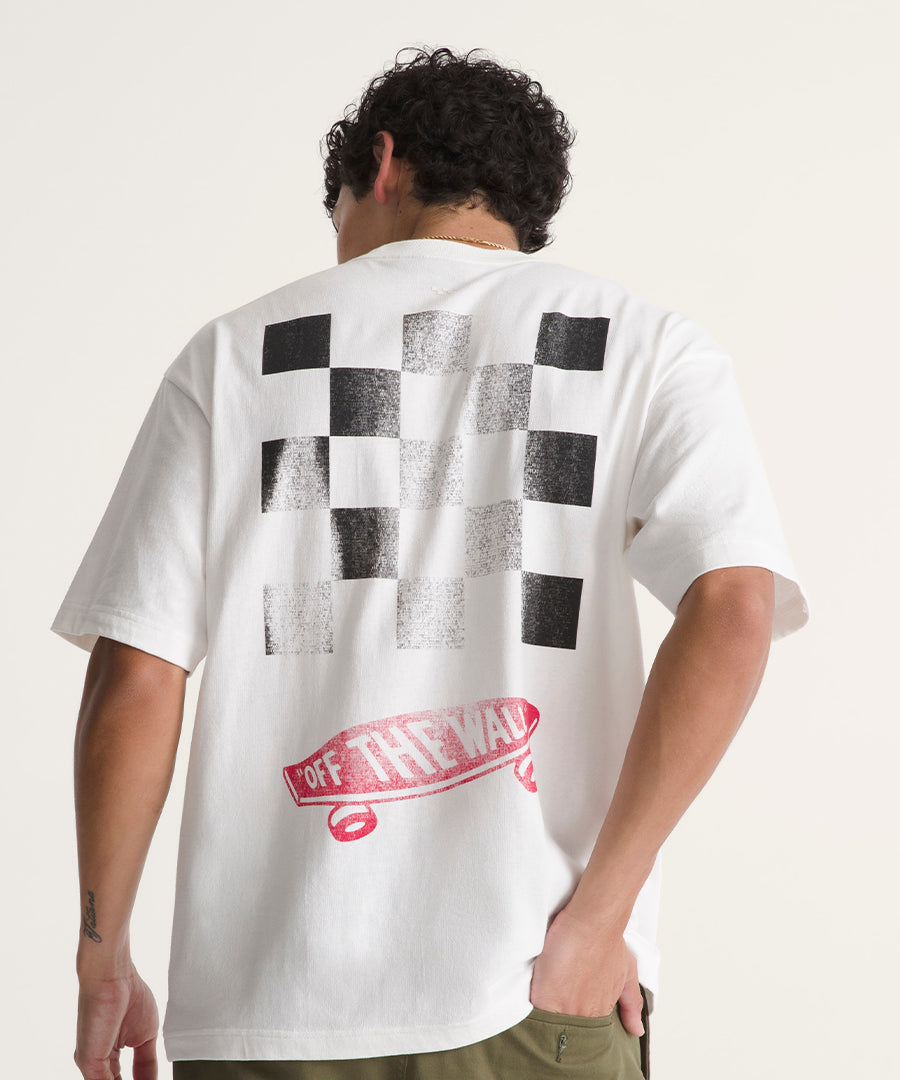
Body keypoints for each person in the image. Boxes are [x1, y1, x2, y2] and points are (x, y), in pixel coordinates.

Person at [54, 44, 809, 1080]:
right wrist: (601, 918)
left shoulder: (233, 357)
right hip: (533, 995)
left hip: (267, 1013)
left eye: (336, 217)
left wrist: (102, 956)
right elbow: (735, 606)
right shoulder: (646, 346)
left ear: (380, 165)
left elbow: (137, 674)